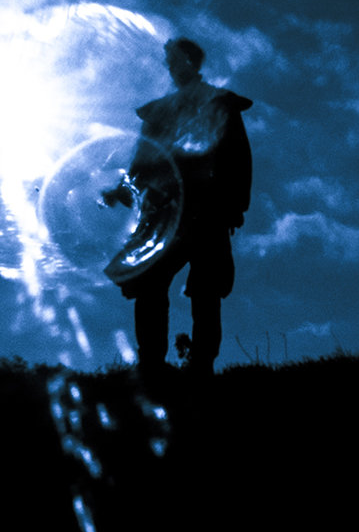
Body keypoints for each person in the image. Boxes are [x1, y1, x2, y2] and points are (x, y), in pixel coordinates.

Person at [103, 37, 252, 378]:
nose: (169, 65)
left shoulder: (218, 102)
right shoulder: (161, 111)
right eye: (168, 59)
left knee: (206, 287)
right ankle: (152, 363)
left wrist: (235, 204)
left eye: (174, 58)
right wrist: (123, 190)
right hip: (165, 208)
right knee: (151, 284)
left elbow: (237, 156)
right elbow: (142, 158)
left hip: (208, 206)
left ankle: (201, 364)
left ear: (191, 61)